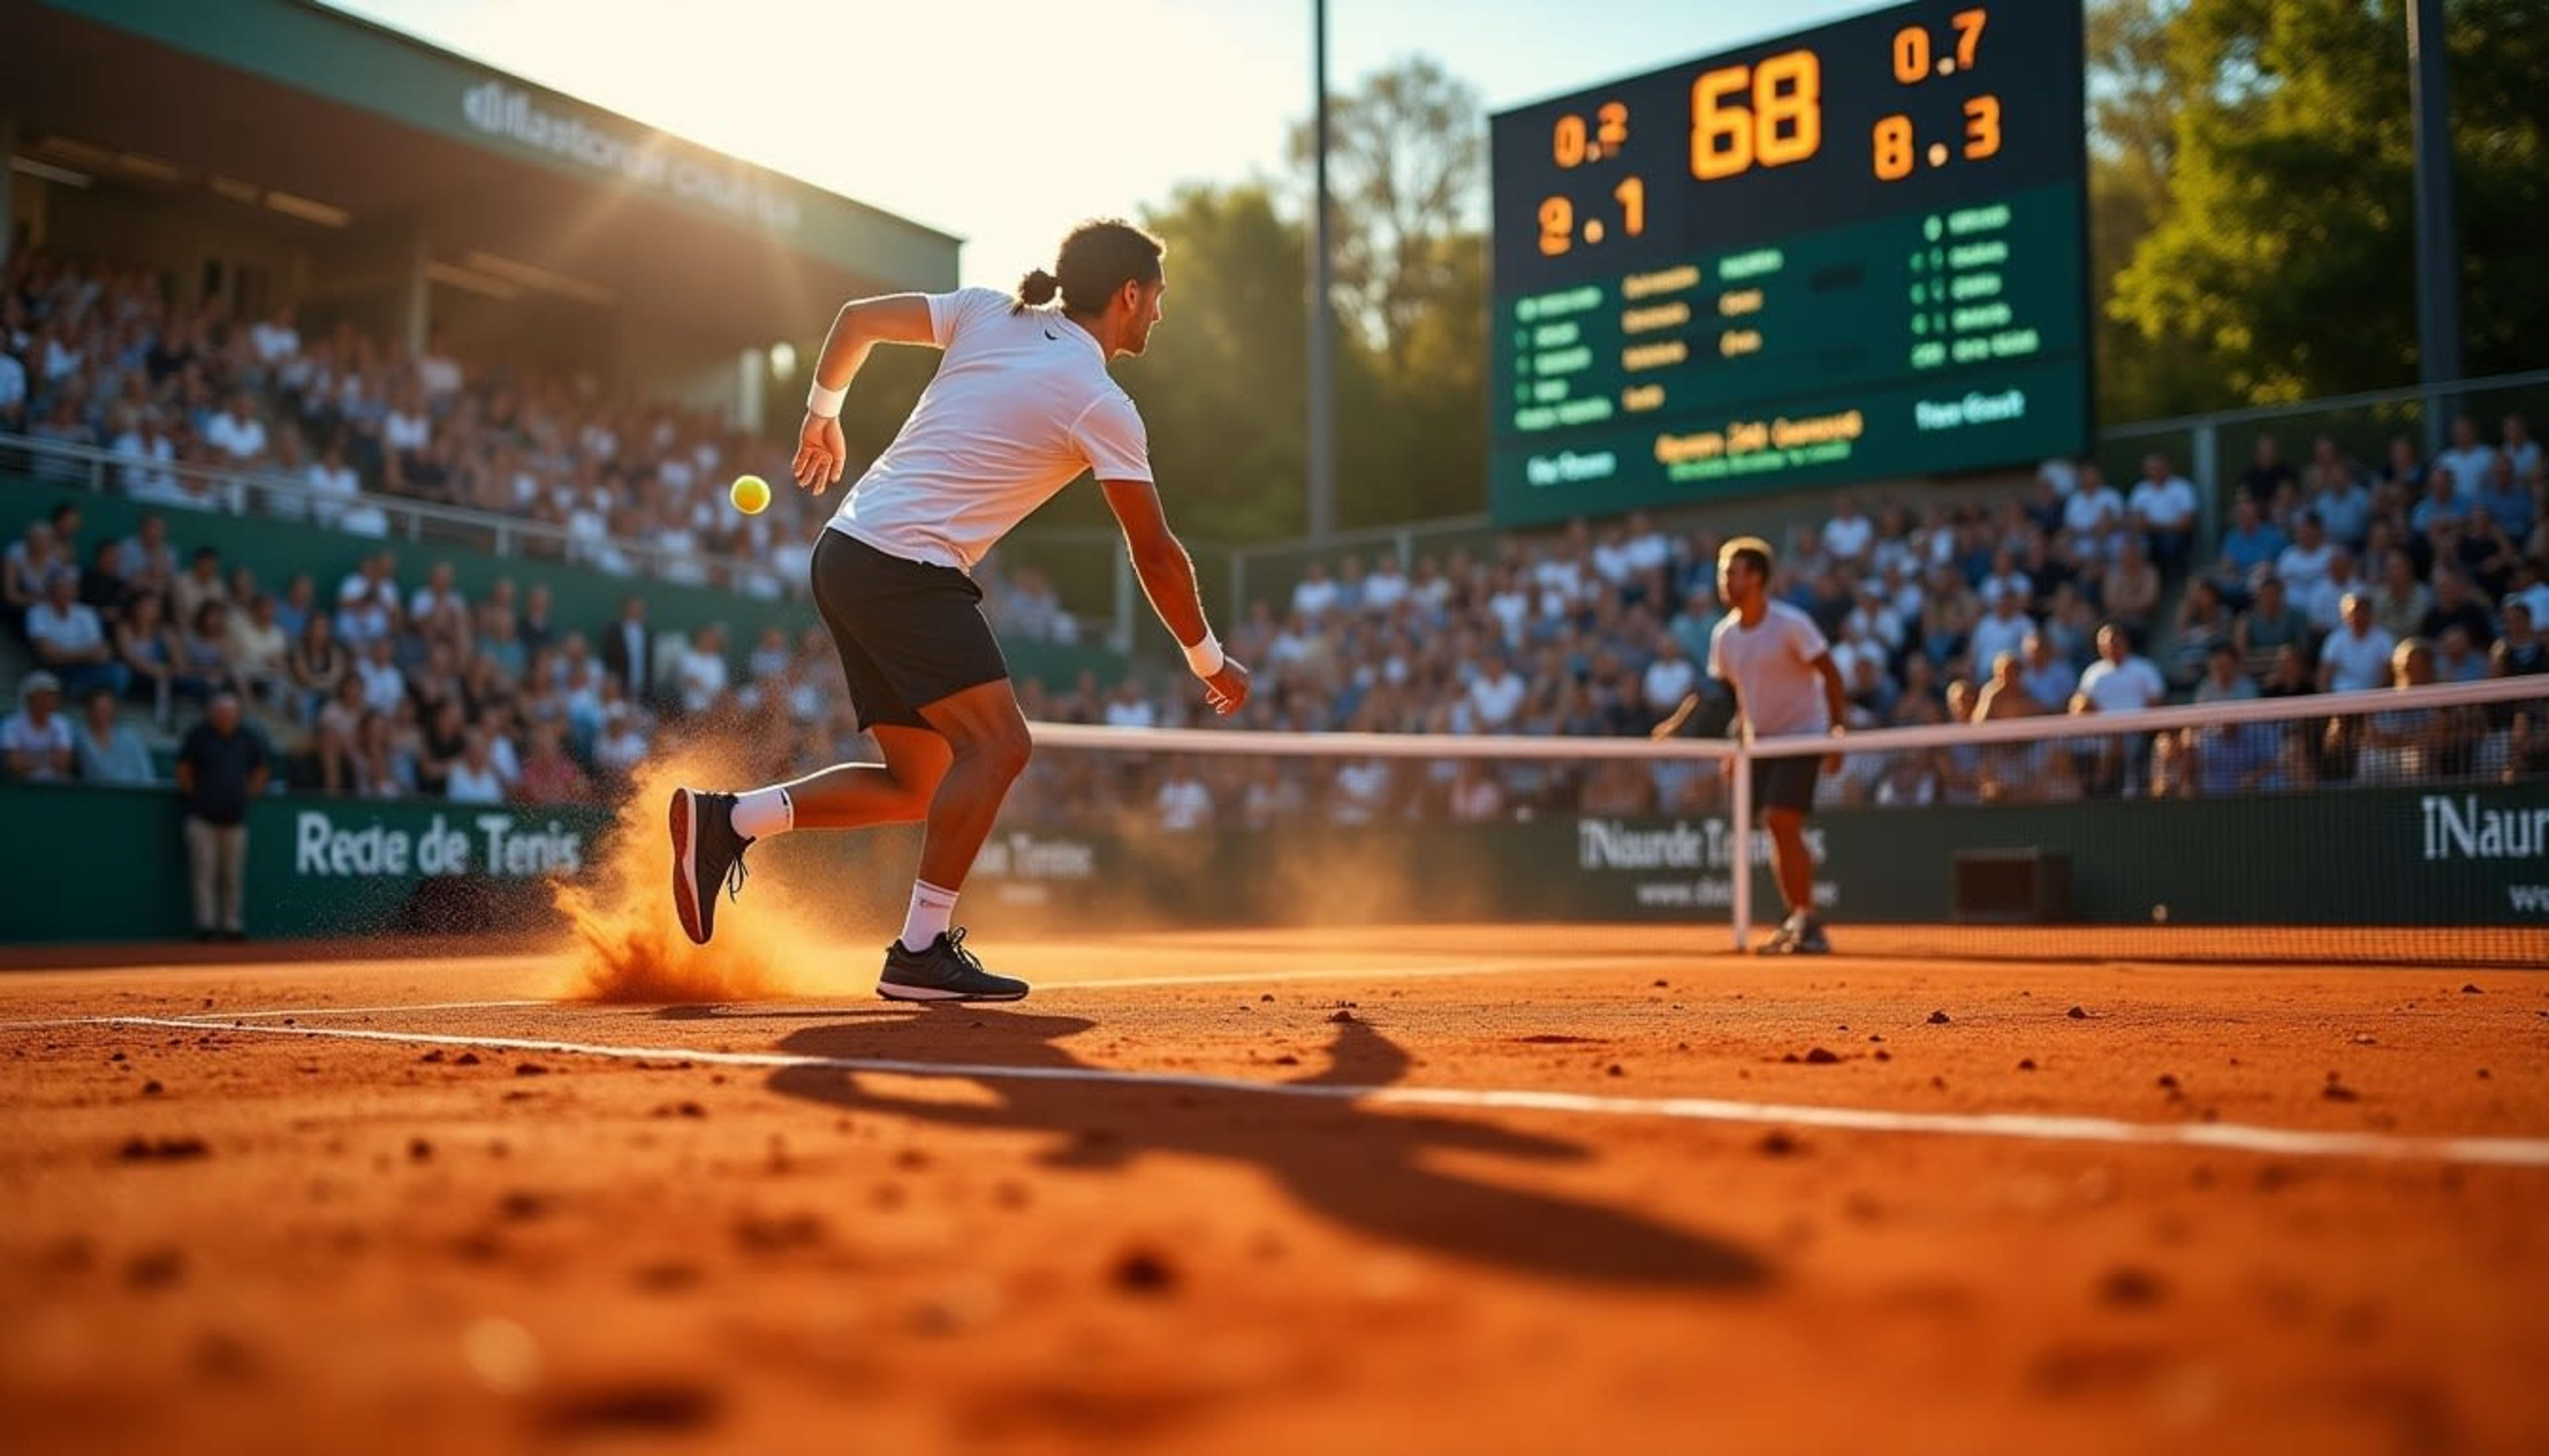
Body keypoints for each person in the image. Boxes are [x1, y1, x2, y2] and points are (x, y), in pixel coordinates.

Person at [670, 220, 1249, 1001]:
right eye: (1157, 298)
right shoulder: (1102, 402)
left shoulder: (987, 311)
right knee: (1001, 745)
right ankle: (919, 951)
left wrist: (822, 412)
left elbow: (856, 320)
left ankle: (730, 821)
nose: (1159, 314)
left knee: (918, 783)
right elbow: (1155, 553)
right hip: (905, 567)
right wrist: (1208, 658)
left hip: (846, 553)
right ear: (1128, 295)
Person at [1654, 537, 1848, 955]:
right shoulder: (1724, 636)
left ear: (1756, 578)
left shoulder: (1791, 624)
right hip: (1759, 743)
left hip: (1802, 735)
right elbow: (1735, 697)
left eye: (1733, 573)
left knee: (1781, 820)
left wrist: (1836, 734)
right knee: (1776, 829)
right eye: (1723, 573)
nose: (1725, 581)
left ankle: (1808, 920)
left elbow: (1831, 676)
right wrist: (1735, 746)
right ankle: (1798, 918)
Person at [176, 692, 270, 942]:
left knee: (232, 877)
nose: (226, 718)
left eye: (231, 714)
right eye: (222, 713)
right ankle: (205, 926)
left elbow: (261, 771)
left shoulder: (248, 738)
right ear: (213, 714)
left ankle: (232, 925)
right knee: (203, 875)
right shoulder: (198, 736)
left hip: (235, 821)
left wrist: (245, 795)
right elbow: (183, 771)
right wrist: (199, 796)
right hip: (201, 819)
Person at [3, 672, 76, 782]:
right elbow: (16, 765)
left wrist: (29, 760)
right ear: (31, 698)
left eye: (54, 695)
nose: (52, 700)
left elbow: (63, 764)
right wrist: (50, 760)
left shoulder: (62, 723)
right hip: (23, 787)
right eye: (47, 695)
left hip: (57, 786)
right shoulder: (11, 725)